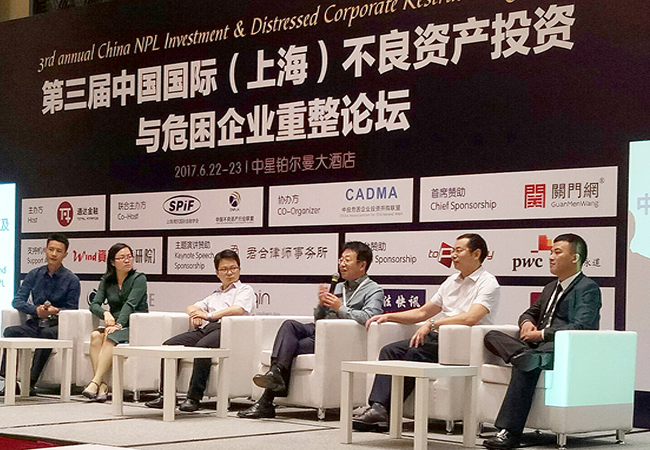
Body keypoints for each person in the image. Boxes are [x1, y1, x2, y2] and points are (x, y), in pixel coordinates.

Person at [353, 233, 500, 430]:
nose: (453, 255)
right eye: (452, 250)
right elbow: (423, 312)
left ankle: (386, 411)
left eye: (459, 250)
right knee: (390, 351)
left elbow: (471, 317)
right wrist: (388, 316)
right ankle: (378, 408)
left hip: (462, 343)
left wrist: (432, 324)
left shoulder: (488, 282)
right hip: (438, 338)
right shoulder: (451, 281)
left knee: (415, 352)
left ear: (476, 254)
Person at [237, 241, 384, 419]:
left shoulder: (374, 290)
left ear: (362, 265)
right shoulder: (338, 287)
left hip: (337, 339)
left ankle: (266, 401)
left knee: (289, 349)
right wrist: (321, 305)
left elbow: (370, 317)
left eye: (347, 260)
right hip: (320, 330)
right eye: (341, 259)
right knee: (290, 325)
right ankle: (275, 374)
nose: (342, 264)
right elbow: (319, 318)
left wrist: (340, 308)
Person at [482, 233, 601, 449]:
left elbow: (581, 326)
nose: (551, 257)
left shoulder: (587, 288)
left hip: (561, 350)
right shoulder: (550, 288)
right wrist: (527, 323)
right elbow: (529, 313)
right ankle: (524, 356)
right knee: (492, 336)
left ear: (574, 258)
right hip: (535, 349)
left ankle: (509, 432)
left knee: (526, 366)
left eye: (557, 252)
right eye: (551, 252)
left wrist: (542, 334)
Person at [145, 249, 254, 412]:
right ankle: (166, 395)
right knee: (169, 345)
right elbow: (192, 307)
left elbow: (238, 309)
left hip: (228, 331)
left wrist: (208, 315)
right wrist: (195, 314)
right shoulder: (216, 294)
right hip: (208, 329)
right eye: (224, 269)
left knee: (202, 348)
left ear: (239, 269)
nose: (229, 273)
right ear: (217, 273)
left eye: (233, 268)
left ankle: (193, 398)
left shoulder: (244, 290)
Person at [1, 233, 80, 395]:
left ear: (65, 254)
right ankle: (8, 381)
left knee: (46, 334)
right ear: (45, 250)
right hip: (35, 322)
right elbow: (18, 301)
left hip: (55, 326)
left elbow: (73, 310)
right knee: (10, 331)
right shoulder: (34, 274)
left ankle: (30, 382)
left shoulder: (71, 280)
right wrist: (35, 310)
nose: (53, 254)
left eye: (58, 251)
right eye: (51, 249)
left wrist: (56, 311)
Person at [82, 243, 148, 402]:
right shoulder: (107, 280)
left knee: (110, 335)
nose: (127, 260)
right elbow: (94, 304)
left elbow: (130, 305)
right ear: (112, 262)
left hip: (134, 325)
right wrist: (105, 313)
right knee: (95, 336)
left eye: (129, 256)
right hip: (114, 325)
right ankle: (102, 386)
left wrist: (118, 325)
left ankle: (95, 382)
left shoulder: (139, 278)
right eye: (122, 257)